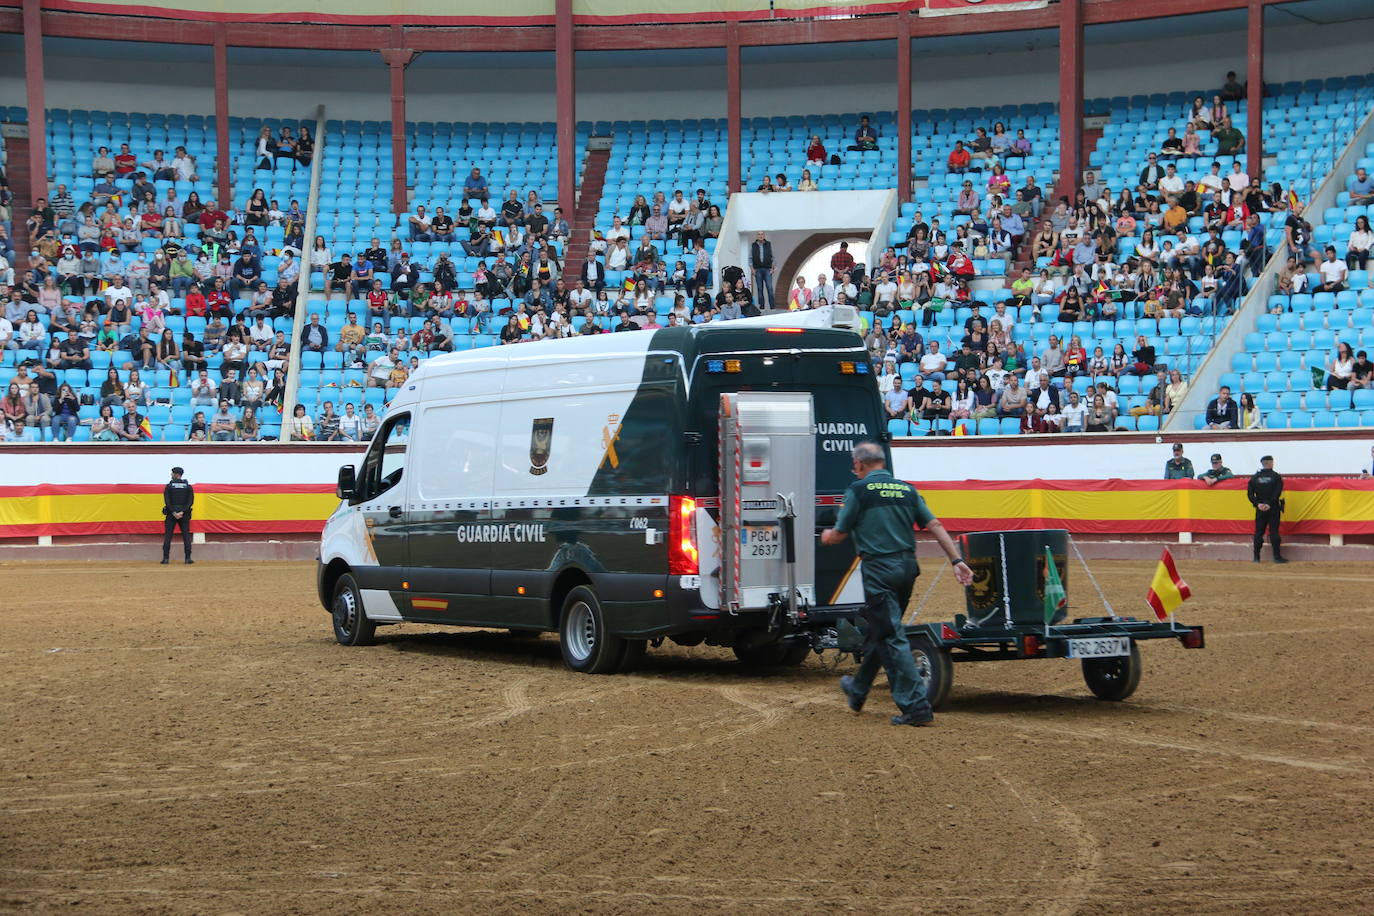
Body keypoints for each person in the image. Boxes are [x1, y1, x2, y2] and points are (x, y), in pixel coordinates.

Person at [821, 442, 973, 727]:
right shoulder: (907, 489)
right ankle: (858, 689)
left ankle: (917, 707)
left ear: (860, 464)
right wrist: (956, 560)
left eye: (854, 463)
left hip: (879, 570)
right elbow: (936, 525)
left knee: (892, 636)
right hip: (906, 569)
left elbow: (840, 534)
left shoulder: (859, 490)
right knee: (884, 630)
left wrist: (827, 536)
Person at [1247, 456, 1287, 564]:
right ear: (1270, 463)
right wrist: (1269, 503)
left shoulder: (1255, 477)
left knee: (1258, 532)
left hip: (1260, 508)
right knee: (1274, 532)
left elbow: (1250, 494)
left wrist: (1258, 504)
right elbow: (1277, 492)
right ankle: (1276, 557)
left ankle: (1256, 557)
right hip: (1273, 507)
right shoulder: (1276, 477)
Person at [161, 466, 194, 565]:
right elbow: (190, 502)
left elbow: (167, 501)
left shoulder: (169, 486)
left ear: (176, 474)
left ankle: (166, 559)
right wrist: (182, 512)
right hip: (184, 514)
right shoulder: (188, 486)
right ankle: (187, 558)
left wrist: (174, 512)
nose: (171, 475)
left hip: (172, 514)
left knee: (168, 536)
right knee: (186, 536)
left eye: (172, 473)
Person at [749, 232, 774, 310]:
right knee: (760, 289)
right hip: (758, 270)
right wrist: (752, 269)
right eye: (759, 234)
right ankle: (762, 307)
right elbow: (750, 258)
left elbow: (773, 257)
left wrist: (773, 268)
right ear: (757, 236)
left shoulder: (769, 244)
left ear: (764, 236)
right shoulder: (753, 245)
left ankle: (772, 307)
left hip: (767, 269)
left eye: (762, 234)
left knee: (770, 288)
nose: (760, 236)